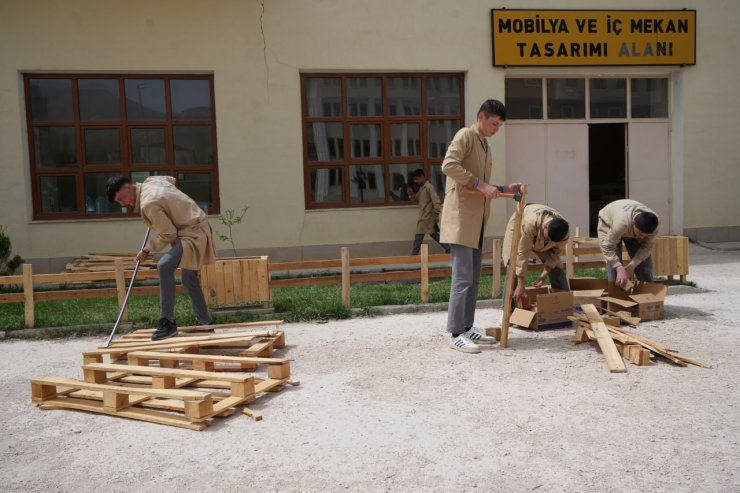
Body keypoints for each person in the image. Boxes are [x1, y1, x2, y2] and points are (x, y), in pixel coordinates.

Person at [439, 99, 521, 354]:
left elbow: (481, 185)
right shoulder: (465, 135)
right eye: (494, 124)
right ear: (481, 117)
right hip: (461, 220)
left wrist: (502, 189)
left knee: (473, 279)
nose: (496, 129)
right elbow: (449, 166)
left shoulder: (485, 145)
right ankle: (455, 333)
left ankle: (467, 326)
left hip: (477, 222)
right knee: (462, 278)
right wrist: (481, 185)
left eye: (499, 126)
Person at [106, 175, 216, 340]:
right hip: (196, 227)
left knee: (164, 265)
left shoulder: (149, 204)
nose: (123, 204)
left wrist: (146, 250)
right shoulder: (152, 180)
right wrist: (172, 204)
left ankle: (167, 322)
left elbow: (168, 233)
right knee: (188, 277)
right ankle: (204, 323)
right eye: (119, 202)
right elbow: (172, 180)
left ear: (129, 187)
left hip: (193, 235)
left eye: (122, 198)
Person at [502, 204, 570, 302]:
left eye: (551, 241)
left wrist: (543, 275)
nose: (547, 242)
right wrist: (521, 283)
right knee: (512, 262)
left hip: (539, 231)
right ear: (546, 226)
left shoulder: (563, 235)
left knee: (557, 266)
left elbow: (554, 255)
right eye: (547, 239)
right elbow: (522, 253)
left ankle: (563, 304)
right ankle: (510, 308)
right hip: (521, 222)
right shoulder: (530, 222)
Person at [597, 199, 659, 289]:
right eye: (641, 234)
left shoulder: (654, 224)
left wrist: (631, 266)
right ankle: (616, 298)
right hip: (608, 222)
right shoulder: (621, 224)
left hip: (628, 226)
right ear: (633, 224)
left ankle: (647, 296)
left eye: (646, 236)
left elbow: (647, 248)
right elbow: (608, 247)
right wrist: (619, 268)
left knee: (644, 263)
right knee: (613, 265)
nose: (642, 238)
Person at [407, 169, 449, 255]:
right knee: (434, 235)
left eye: (417, 179)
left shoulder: (429, 187)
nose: (416, 181)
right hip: (425, 217)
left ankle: (413, 255)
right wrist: (410, 194)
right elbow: (415, 199)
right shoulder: (422, 188)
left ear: (422, 177)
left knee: (419, 236)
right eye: (415, 179)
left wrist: (435, 215)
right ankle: (449, 248)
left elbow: (437, 202)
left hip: (427, 217)